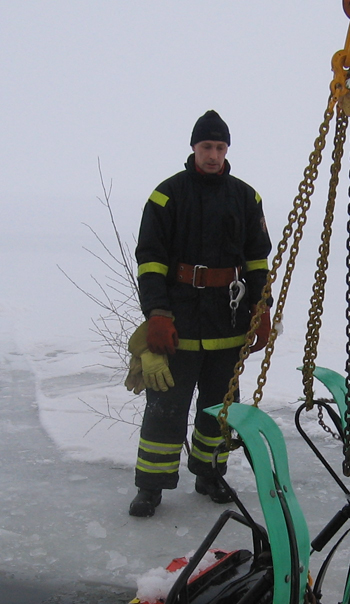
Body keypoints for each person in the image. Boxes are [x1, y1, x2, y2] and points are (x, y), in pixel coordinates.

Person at [125, 110, 272, 518]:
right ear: (193, 148)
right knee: (166, 407)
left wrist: (263, 311)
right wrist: (156, 312)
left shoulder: (246, 197)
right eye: (207, 146)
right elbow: (151, 260)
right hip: (179, 322)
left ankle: (210, 475)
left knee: (220, 408)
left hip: (228, 322)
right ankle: (150, 487)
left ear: (227, 150)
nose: (213, 154)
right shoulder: (167, 196)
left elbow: (258, 260)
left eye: (220, 147)